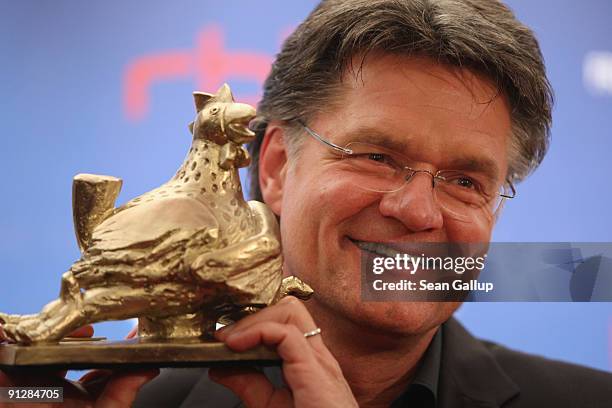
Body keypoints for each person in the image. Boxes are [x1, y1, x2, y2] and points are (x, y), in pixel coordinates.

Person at [2, 0, 611, 407]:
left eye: (465, 181)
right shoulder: (129, 397)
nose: (420, 212)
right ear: (276, 168)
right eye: (376, 157)